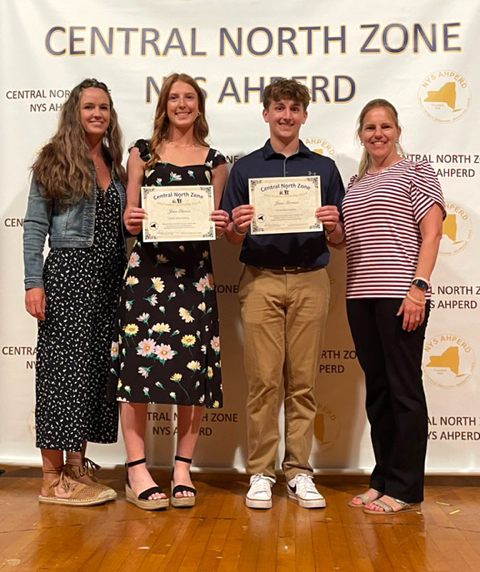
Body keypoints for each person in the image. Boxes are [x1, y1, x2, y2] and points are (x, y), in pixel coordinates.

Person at [222, 78, 345, 509]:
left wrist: (333, 223)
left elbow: (340, 239)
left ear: (305, 115)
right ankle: (261, 471)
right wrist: (237, 224)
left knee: (304, 383)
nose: (287, 115)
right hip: (260, 279)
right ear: (266, 114)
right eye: (279, 108)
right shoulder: (245, 168)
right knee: (262, 382)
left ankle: (298, 472)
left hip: (311, 278)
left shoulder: (326, 169)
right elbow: (233, 240)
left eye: (295, 108)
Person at [110, 73, 229, 510]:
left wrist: (222, 223)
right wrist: (133, 219)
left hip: (194, 277)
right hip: (147, 276)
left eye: (189, 97)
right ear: (164, 104)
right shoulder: (141, 153)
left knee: (193, 374)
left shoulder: (216, 162)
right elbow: (129, 217)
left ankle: (182, 468)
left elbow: (219, 223)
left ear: (200, 105)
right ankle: (136, 469)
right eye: (174, 97)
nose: (182, 104)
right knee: (138, 372)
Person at [23, 78, 127, 506]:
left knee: (91, 374)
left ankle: (76, 469)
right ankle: (51, 477)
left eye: (104, 107)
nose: (97, 114)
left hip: (108, 281)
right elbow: (34, 226)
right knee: (59, 377)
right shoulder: (53, 160)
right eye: (89, 107)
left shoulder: (114, 164)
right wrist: (34, 282)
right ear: (74, 112)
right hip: (68, 276)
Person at [343, 99, 445, 514]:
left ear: (398, 131)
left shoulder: (417, 172)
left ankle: (405, 488)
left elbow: (433, 233)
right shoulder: (357, 182)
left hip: (401, 294)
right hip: (359, 296)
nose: (378, 133)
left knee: (404, 390)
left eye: (385, 126)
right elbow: (346, 239)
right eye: (370, 127)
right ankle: (382, 478)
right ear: (361, 134)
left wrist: (418, 288)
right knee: (379, 393)